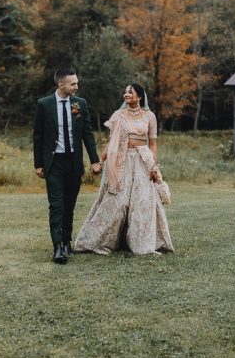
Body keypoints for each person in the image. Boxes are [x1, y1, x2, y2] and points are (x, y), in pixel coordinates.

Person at [74, 83, 174, 255]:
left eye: (130, 92)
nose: (126, 94)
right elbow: (111, 142)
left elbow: (153, 144)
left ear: (139, 97)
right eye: (125, 91)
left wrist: (153, 165)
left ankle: (142, 243)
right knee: (118, 202)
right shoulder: (118, 115)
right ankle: (96, 241)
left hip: (143, 161)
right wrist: (100, 161)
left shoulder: (150, 116)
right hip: (122, 161)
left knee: (142, 202)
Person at [33, 68, 101, 264]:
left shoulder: (80, 103)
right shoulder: (44, 104)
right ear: (60, 84)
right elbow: (38, 136)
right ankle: (57, 247)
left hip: (74, 162)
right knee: (56, 206)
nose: (76, 86)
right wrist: (38, 164)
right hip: (54, 163)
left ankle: (66, 241)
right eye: (73, 83)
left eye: (77, 82)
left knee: (69, 205)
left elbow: (87, 133)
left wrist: (94, 160)